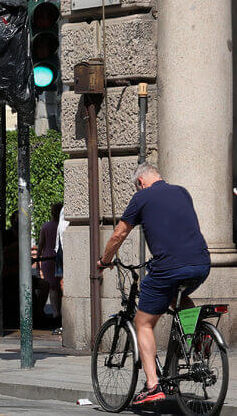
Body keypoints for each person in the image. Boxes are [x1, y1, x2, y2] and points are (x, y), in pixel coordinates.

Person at [98, 163, 211, 406]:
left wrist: (104, 260)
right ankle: (199, 337)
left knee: (143, 322)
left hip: (169, 267)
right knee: (175, 295)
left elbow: (119, 234)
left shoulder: (142, 197)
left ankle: (152, 385)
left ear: (140, 183)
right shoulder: (182, 192)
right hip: (201, 263)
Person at [37, 202, 63, 330]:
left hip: (47, 259)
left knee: (52, 287)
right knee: (59, 287)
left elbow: (41, 244)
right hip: (59, 258)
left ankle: (55, 313)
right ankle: (59, 313)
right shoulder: (62, 226)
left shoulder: (45, 226)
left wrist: (37, 261)